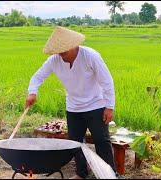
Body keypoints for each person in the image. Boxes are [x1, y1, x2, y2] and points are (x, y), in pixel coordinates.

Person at [25, 26, 116, 179]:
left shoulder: (91, 56)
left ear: (74, 46)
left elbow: (107, 81)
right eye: (59, 53)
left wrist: (109, 106)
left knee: (102, 141)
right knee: (75, 143)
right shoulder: (54, 60)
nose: (62, 56)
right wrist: (32, 92)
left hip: (96, 105)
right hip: (73, 107)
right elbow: (37, 77)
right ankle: (81, 173)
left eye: (65, 52)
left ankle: (109, 174)